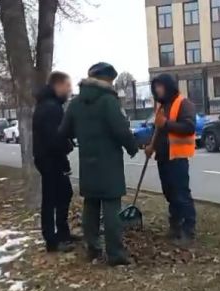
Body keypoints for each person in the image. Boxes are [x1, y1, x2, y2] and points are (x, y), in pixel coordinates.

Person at [59, 62, 138, 266]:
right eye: (111, 80)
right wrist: (132, 146)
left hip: (87, 163)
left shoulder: (75, 103)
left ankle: (92, 249)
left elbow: (64, 132)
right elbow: (120, 129)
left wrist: (82, 137)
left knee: (91, 206)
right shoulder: (107, 101)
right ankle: (115, 254)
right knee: (111, 207)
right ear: (106, 79)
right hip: (109, 163)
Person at [145, 73, 197, 248]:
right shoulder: (161, 106)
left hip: (178, 156)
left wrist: (166, 124)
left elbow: (189, 127)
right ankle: (175, 226)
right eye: (155, 87)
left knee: (181, 193)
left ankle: (188, 229)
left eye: (160, 86)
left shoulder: (183, 103)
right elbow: (157, 130)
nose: (157, 90)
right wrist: (151, 146)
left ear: (168, 86)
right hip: (163, 156)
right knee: (169, 193)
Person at [33, 71, 76, 253]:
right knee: (56, 197)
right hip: (51, 159)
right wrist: (67, 146)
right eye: (67, 87)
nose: (69, 90)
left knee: (60, 195)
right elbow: (55, 137)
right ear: (58, 86)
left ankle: (60, 234)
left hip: (47, 158)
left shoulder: (46, 104)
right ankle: (54, 238)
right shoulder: (52, 107)